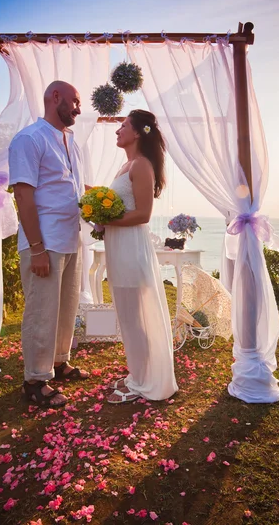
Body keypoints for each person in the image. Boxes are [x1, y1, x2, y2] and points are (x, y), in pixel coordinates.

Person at [9, 81, 89, 408]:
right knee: (42, 311)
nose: (78, 109)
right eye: (75, 101)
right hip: (44, 242)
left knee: (66, 308)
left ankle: (58, 362)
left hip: (72, 239)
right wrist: (37, 248)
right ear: (55, 97)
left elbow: (74, 188)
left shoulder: (72, 141)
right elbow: (23, 196)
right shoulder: (30, 139)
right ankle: (35, 381)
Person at [105, 109, 178, 403]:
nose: (117, 130)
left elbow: (143, 214)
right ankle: (138, 372)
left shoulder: (142, 165)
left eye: (123, 125)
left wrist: (107, 218)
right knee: (127, 316)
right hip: (118, 245)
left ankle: (144, 381)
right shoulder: (125, 166)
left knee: (136, 317)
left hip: (131, 247)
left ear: (137, 133)